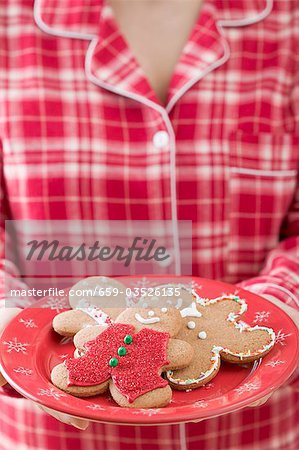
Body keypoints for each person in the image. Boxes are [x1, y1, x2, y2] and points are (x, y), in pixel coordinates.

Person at [1, 0, 299, 448]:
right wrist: (10, 324)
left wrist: (276, 311)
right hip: (49, 436)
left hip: (258, 433)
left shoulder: (288, 24)